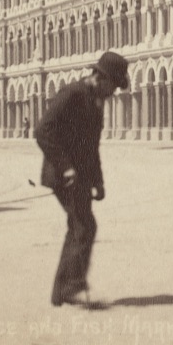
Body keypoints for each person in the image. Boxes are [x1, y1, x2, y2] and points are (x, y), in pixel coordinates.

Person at [35, 50, 128, 307]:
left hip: (81, 178)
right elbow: (42, 130)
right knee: (83, 226)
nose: (113, 92)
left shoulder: (96, 102)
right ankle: (70, 286)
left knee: (80, 226)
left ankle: (63, 290)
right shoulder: (72, 94)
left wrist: (99, 181)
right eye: (113, 86)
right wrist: (65, 167)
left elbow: (92, 147)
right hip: (64, 176)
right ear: (101, 77)